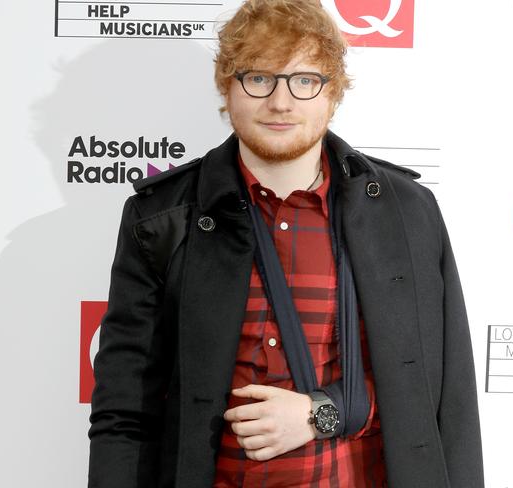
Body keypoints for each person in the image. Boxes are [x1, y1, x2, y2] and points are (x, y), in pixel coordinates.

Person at [87, 1, 484, 487]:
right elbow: (125, 413)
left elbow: (441, 396)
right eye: (258, 78)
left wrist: (323, 412)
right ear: (226, 87)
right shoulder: (161, 218)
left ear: (332, 92)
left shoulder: (406, 212)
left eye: (304, 80)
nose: (281, 102)